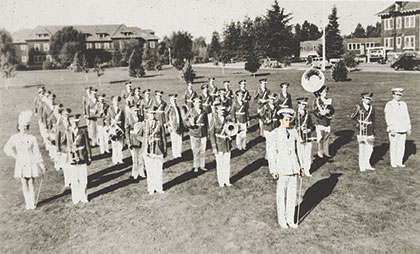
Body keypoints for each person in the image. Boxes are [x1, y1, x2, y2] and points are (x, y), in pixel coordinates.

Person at [3, 110, 47, 210]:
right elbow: (7, 148)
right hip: (21, 162)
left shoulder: (32, 138)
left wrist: (41, 165)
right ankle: (28, 202)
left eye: (25, 126)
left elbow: (36, 152)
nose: (23, 128)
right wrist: (15, 156)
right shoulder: (14, 137)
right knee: (24, 182)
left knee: (31, 182)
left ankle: (32, 202)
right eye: (21, 126)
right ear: (18, 127)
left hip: (30, 161)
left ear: (27, 127)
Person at [269, 108, 303, 229]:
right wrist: (273, 170)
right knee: (281, 195)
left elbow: (299, 150)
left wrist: (302, 167)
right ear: (280, 120)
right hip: (282, 169)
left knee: (292, 195)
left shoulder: (294, 132)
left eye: (290, 120)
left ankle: (290, 219)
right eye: (286, 120)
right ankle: (282, 220)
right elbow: (271, 152)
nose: (288, 122)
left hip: (293, 168)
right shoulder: (275, 133)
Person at [67, 114, 92, 204]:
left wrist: (89, 156)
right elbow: (63, 144)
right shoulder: (68, 132)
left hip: (82, 156)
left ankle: (84, 197)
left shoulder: (83, 131)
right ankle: (76, 198)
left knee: (83, 178)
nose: (75, 124)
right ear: (70, 122)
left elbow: (87, 144)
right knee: (74, 179)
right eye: (73, 122)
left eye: (77, 122)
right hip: (72, 157)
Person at [384, 88, 411, 168]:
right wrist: (391, 128)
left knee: (401, 146)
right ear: (393, 95)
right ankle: (394, 162)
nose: (398, 96)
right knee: (394, 146)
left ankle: (399, 161)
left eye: (400, 95)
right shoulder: (390, 104)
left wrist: (408, 127)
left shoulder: (403, 104)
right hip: (394, 129)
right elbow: (388, 117)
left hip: (403, 128)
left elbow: (407, 116)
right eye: (397, 94)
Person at [143, 106, 167, 195]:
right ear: (147, 114)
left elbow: (164, 137)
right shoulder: (144, 124)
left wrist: (165, 149)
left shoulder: (159, 124)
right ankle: (151, 188)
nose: (152, 115)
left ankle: (159, 187)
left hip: (158, 148)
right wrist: (144, 147)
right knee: (150, 170)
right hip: (148, 149)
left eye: (153, 113)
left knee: (158, 169)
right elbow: (141, 137)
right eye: (150, 113)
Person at [351, 93, 376, 172]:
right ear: (362, 99)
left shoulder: (372, 108)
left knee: (370, 148)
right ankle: (362, 165)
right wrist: (358, 126)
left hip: (369, 130)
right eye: (366, 98)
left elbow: (374, 120)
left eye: (369, 99)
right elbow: (352, 119)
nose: (368, 100)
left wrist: (374, 130)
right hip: (361, 131)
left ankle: (367, 163)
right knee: (362, 148)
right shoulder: (358, 107)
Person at [210, 105, 233, 187]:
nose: (222, 111)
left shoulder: (228, 119)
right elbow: (211, 134)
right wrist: (214, 147)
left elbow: (232, 129)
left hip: (227, 144)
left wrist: (231, 136)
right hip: (219, 144)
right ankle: (221, 181)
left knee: (227, 163)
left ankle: (227, 180)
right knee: (220, 164)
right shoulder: (214, 120)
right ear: (217, 111)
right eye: (221, 110)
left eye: (223, 110)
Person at [185, 97, 209, 172]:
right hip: (194, 133)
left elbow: (206, 123)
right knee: (195, 151)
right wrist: (190, 124)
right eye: (197, 102)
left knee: (203, 150)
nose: (199, 104)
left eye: (200, 102)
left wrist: (207, 133)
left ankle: (202, 165)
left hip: (203, 133)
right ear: (193, 103)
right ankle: (196, 166)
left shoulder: (204, 112)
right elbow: (185, 121)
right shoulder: (191, 111)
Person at [294, 98, 315, 176]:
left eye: (305, 104)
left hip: (307, 137)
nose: (303, 106)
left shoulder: (307, 114)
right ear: (298, 104)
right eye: (302, 104)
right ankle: (301, 170)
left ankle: (307, 170)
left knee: (308, 154)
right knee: (300, 154)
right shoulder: (295, 114)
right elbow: (291, 125)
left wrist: (309, 129)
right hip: (299, 136)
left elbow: (311, 125)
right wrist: (298, 128)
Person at [312, 85, 334, 158]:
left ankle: (326, 152)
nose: (326, 93)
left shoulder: (328, 100)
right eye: (324, 92)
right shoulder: (317, 101)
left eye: (327, 92)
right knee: (320, 138)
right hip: (319, 122)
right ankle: (320, 152)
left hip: (327, 122)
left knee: (327, 138)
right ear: (320, 93)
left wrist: (329, 111)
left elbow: (332, 110)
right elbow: (315, 111)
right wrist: (321, 113)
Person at [126, 105, 146, 179]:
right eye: (134, 110)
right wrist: (128, 141)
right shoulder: (128, 119)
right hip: (133, 140)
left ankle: (141, 173)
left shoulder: (140, 117)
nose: (136, 112)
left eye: (137, 110)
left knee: (140, 157)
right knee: (134, 159)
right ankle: (134, 175)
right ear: (131, 111)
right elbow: (127, 130)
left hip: (140, 140)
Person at [55, 108, 72, 190]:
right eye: (65, 115)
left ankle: (72, 179)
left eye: (67, 115)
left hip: (71, 147)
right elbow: (57, 138)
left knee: (71, 164)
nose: (66, 116)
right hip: (64, 148)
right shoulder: (59, 126)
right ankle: (67, 181)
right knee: (65, 165)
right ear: (62, 116)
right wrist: (58, 149)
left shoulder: (71, 124)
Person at [107, 96, 125, 165]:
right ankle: (115, 159)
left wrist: (123, 129)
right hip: (112, 128)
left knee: (120, 144)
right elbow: (108, 118)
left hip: (119, 128)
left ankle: (120, 159)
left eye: (117, 101)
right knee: (114, 144)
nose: (116, 102)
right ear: (112, 101)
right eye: (114, 101)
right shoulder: (110, 109)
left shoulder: (121, 109)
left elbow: (123, 119)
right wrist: (108, 127)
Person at [166, 94, 184, 158]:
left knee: (179, 140)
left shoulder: (178, 108)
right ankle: (175, 154)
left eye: (175, 100)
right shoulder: (169, 108)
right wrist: (169, 126)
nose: (174, 101)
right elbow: (166, 117)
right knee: (174, 140)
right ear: (170, 100)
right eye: (173, 100)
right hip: (172, 126)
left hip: (179, 126)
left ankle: (179, 153)